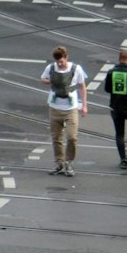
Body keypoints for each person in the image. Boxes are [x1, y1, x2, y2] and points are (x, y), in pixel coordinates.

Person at [40, 46, 88, 176]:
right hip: (54, 107)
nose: (60, 64)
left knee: (72, 137)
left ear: (67, 57)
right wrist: (50, 80)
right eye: (58, 62)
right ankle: (59, 163)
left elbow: (82, 87)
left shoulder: (76, 69)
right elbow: (42, 79)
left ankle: (69, 162)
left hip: (70, 108)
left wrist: (84, 105)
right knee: (56, 138)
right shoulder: (51, 68)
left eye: (62, 61)